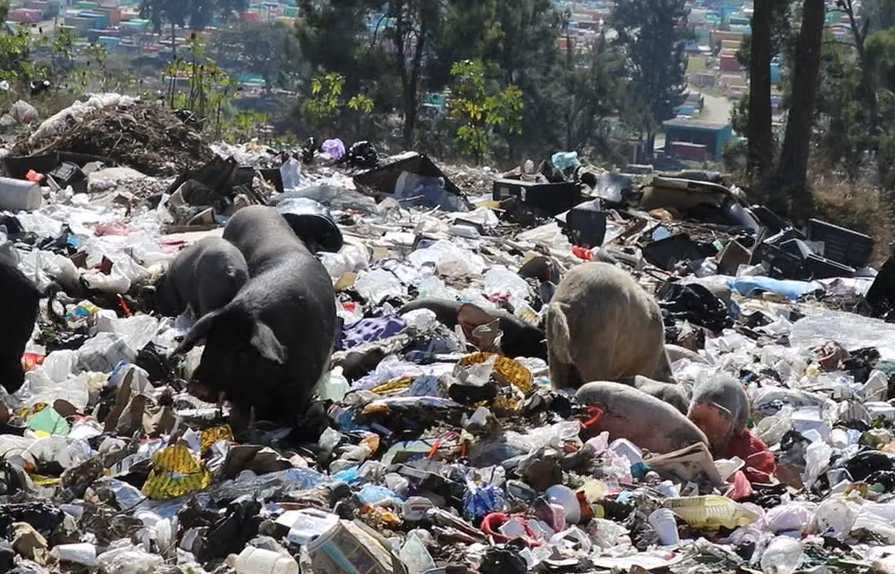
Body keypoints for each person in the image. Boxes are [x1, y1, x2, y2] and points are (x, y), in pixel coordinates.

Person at [688, 376, 776, 484]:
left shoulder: (750, 451)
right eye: (697, 421)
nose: (701, 429)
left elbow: (760, 481)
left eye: (707, 424)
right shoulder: (687, 436)